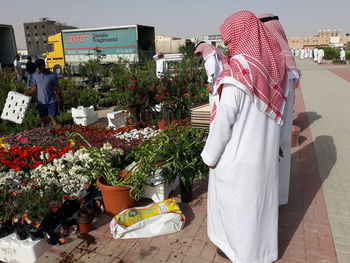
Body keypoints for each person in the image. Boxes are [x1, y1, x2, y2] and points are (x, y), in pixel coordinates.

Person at [201, 10, 287, 263]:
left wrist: (210, 156)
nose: (229, 44)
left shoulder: (237, 72)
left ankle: (238, 253)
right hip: (264, 154)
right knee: (259, 210)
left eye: (230, 39)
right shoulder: (272, 70)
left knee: (237, 210)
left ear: (240, 35)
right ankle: (262, 253)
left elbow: (224, 120)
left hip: (238, 158)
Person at [259, 13, 301, 206]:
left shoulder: (275, 59)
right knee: (282, 166)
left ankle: (272, 201)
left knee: (273, 165)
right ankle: (279, 199)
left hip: (273, 125)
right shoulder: (288, 57)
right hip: (284, 127)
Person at [25, 59, 64, 127]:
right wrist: (27, 94)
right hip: (41, 102)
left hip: (52, 101)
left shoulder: (52, 75)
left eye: (39, 67)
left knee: (54, 119)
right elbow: (34, 88)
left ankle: (58, 132)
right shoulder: (35, 75)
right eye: (36, 68)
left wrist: (61, 99)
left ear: (43, 65)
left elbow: (57, 89)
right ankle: (48, 127)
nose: (38, 69)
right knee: (44, 120)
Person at [194, 42, 225, 112]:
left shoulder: (210, 57)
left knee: (216, 107)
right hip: (219, 83)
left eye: (199, 53)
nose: (200, 56)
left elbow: (212, 70)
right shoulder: (214, 56)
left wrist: (209, 84)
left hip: (215, 86)